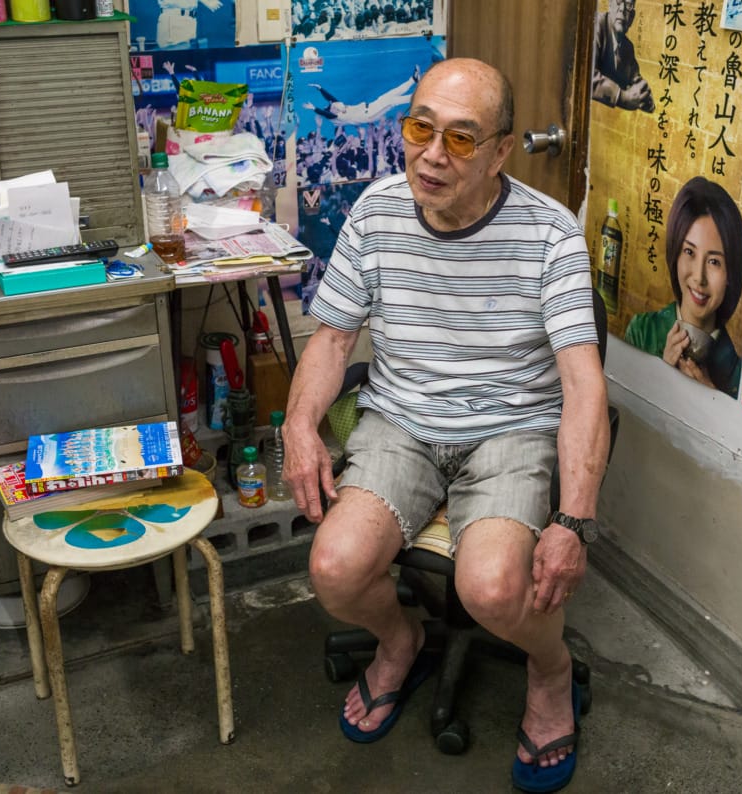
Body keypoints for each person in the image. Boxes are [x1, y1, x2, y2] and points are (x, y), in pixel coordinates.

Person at [283, 57, 610, 793]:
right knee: (334, 570)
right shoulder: (375, 213)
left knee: (495, 590)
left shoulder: (549, 233)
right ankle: (401, 641)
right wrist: (299, 425)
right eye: (420, 128)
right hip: (401, 422)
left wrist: (576, 520)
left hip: (509, 430)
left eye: (462, 139)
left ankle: (551, 671)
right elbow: (333, 339)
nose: (432, 154)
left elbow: (582, 382)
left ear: (501, 151)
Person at [624, 177, 742, 398]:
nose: (699, 278)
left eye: (714, 262)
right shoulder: (643, 332)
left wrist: (715, 402)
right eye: (689, 252)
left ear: (731, 274)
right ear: (675, 254)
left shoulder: (739, 376)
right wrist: (661, 373)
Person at [591, 0, 655, 112]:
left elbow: (635, 78)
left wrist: (645, 96)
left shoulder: (627, 47)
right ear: (610, 5)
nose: (622, 9)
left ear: (632, 17)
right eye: (619, 1)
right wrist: (622, 97)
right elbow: (587, 75)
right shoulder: (596, 24)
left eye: (629, 5)